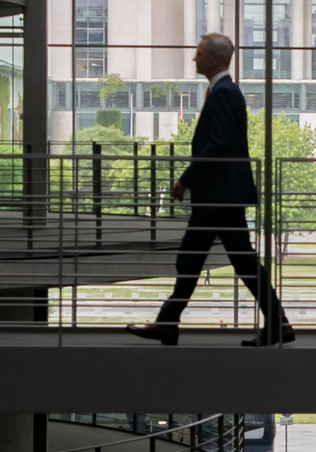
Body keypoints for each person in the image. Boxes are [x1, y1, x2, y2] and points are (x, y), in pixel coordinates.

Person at [126, 33, 294, 347]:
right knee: (208, 259)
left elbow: (218, 144)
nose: (195, 58)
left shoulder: (224, 93)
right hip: (220, 195)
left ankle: (169, 323)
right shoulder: (224, 92)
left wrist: (185, 179)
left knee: (207, 259)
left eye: (200, 53)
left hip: (218, 195)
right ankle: (170, 323)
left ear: (215, 58)